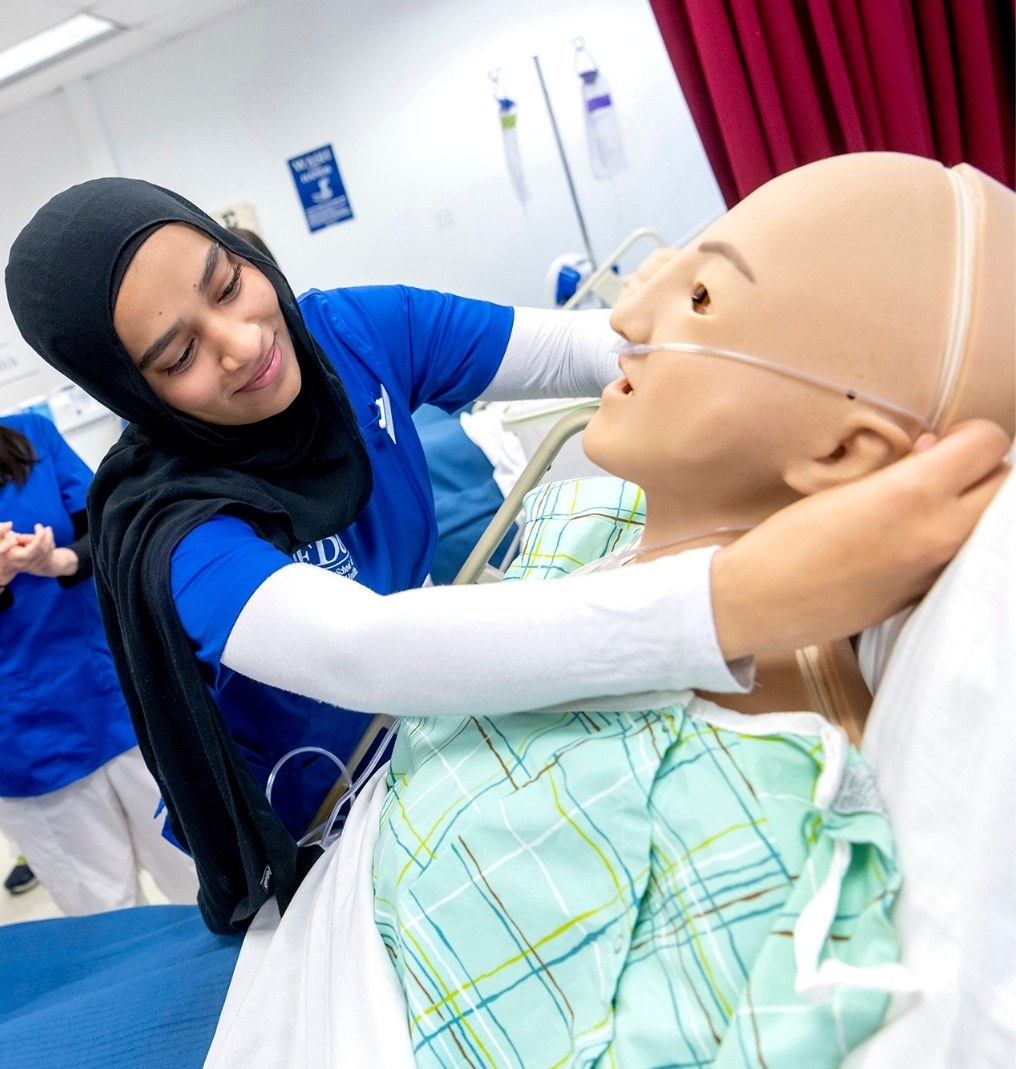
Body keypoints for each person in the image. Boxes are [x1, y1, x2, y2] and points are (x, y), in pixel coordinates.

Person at [3, 178, 1005, 936]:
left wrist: (818, 361)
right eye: (177, 354)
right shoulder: (176, 532)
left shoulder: (354, 333)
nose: (242, 340)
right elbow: (365, 651)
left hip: (440, 738)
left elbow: (603, 349)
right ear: (130, 390)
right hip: (334, 833)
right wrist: (737, 598)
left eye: (231, 280)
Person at [370, 155, 1014, 1066]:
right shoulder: (584, 521)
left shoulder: (732, 802)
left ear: (842, 450)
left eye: (703, 298)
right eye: (671, 266)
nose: (626, 319)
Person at [0, 414, 199, 914]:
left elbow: (104, 527)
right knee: (105, 910)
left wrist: (57, 562)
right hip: (30, 744)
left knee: (198, 872)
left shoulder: (28, 435)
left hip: (115, 696)